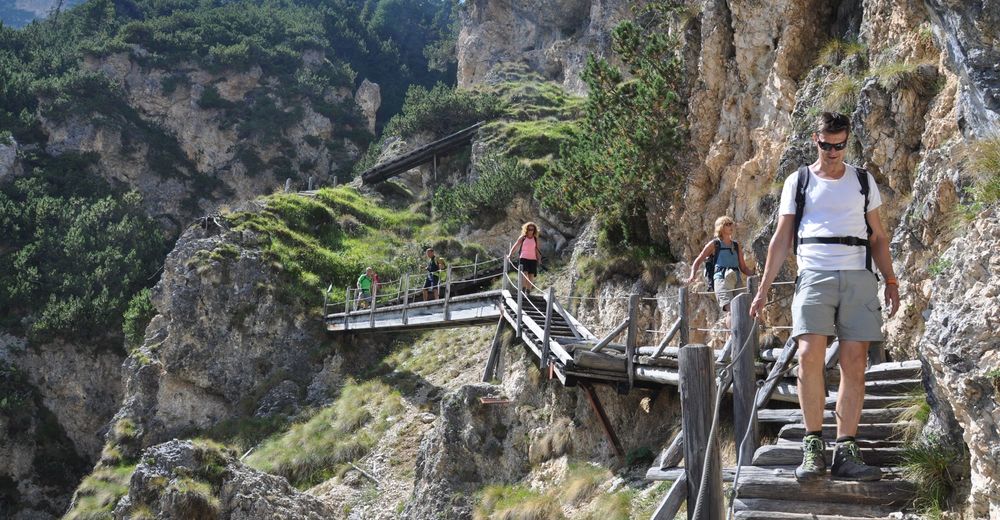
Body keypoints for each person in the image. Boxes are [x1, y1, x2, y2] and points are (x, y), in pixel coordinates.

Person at [750, 112, 900, 482]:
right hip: (814, 273)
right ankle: (813, 444)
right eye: (825, 144)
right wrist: (764, 289)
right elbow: (782, 239)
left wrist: (892, 280)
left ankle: (846, 448)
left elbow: (878, 236)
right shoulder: (798, 181)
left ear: (846, 142)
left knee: (855, 362)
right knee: (808, 355)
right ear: (815, 140)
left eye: (839, 145)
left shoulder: (863, 181)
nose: (832, 152)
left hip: (858, 274)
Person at [685, 216, 754, 311]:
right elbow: (699, 260)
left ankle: (736, 326)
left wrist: (756, 276)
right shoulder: (714, 244)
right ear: (720, 227)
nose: (731, 226)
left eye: (731, 224)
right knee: (731, 310)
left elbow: (743, 268)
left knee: (742, 309)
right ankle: (733, 326)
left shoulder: (736, 245)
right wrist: (692, 275)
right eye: (727, 224)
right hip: (721, 280)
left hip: (736, 280)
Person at [508, 222, 542, 292]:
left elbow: (537, 250)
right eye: (529, 229)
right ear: (526, 229)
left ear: (534, 230)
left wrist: (539, 259)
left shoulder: (535, 239)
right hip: (523, 258)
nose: (530, 231)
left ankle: (528, 291)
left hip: (533, 259)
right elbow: (515, 245)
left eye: (532, 229)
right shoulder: (523, 237)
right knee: (524, 273)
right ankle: (523, 289)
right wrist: (510, 254)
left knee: (531, 275)